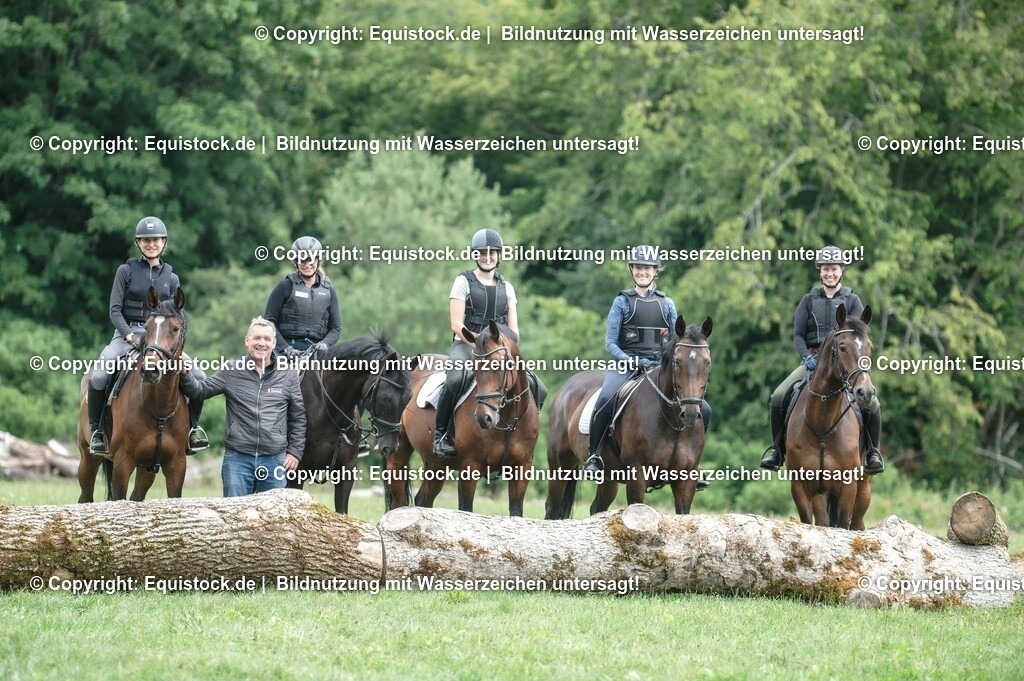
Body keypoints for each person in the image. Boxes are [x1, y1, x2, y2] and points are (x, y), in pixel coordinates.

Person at [583, 245, 712, 474]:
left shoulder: (667, 304)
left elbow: (676, 340)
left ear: (655, 271)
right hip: (626, 365)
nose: (642, 272)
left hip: (658, 367)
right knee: (605, 398)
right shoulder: (622, 302)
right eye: (638, 267)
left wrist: (663, 362)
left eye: (647, 268)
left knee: (706, 410)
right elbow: (610, 344)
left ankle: (693, 463)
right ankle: (595, 455)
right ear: (631, 269)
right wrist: (632, 361)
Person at [87, 216, 208, 456]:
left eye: (155, 240)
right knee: (99, 375)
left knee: (199, 375)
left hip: (161, 340)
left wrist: (173, 344)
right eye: (145, 240)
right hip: (126, 335)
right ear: (138, 243)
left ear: (164, 243)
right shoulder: (125, 271)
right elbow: (114, 311)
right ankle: (97, 432)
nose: (151, 244)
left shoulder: (172, 278)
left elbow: (177, 317)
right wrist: (129, 336)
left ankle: (193, 430)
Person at [760, 245, 884, 474]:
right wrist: (806, 357)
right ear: (820, 271)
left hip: (845, 364)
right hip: (813, 361)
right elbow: (798, 335)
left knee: (873, 403)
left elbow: (858, 338)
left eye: (834, 269)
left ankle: (872, 453)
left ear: (841, 270)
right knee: (778, 395)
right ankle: (777, 450)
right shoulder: (808, 300)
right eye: (826, 269)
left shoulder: (853, 300)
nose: (830, 273)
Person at [433, 228, 546, 457]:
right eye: (482, 253)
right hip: (467, 346)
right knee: (454, 379)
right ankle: (441, 434)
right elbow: (456, 323)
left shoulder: (508, 288)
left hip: (500, 351)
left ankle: (521, 434)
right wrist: (478, 344)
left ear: (498, 255)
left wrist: (503, 348)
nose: (487, 257)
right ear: (475, 255)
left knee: (539, 388)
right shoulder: (463, 281)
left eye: (491, 253)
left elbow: (514, 331)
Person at [180, 316, 306, 496]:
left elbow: (298, 417)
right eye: (257, 338)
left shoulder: (288, 374)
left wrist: (295, 452)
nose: (261, 343)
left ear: (274, 343)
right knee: (234, 513)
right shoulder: (232, 370)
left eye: (267, 339)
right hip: (237, 460)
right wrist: (185, 373)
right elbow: (200, 391)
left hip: (275, 461)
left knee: (273, 513)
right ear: (247, 341)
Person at [264, 235, 342, 357]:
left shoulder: (329, 292)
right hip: (286, 350)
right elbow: (269, 321)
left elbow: (336, 328)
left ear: (318, 261)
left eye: (310, 260)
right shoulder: (285, 286)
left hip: (317, 351)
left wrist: (325, 344)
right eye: (302, 260)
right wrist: (285, 348)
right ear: (296, 262)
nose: (307, 264)